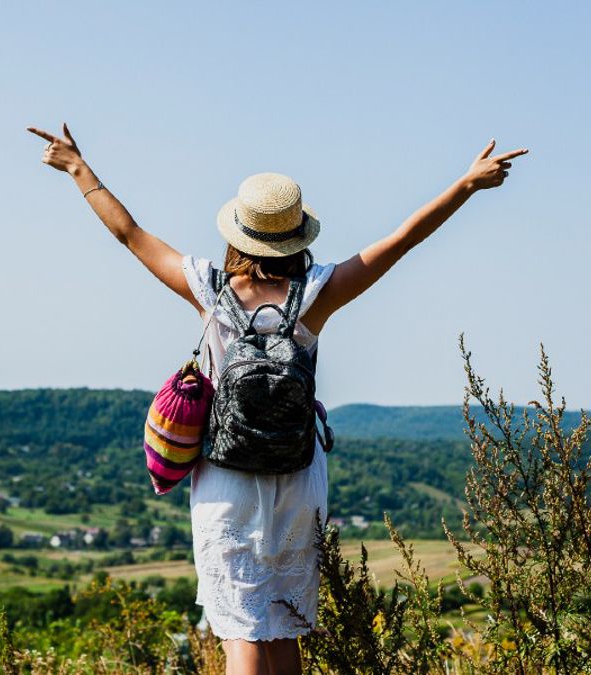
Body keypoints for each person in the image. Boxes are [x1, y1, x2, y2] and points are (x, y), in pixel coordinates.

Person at [27, 121, 526, 675]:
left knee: (241, 631)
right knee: (282, 626)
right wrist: (466, 184)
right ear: (296, 236)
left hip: (226, 480)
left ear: (238, 233)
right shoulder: (318, 294)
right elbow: (403, 238)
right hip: (296, 477)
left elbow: (130, 233)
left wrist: (79, 168)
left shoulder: (208, 290)